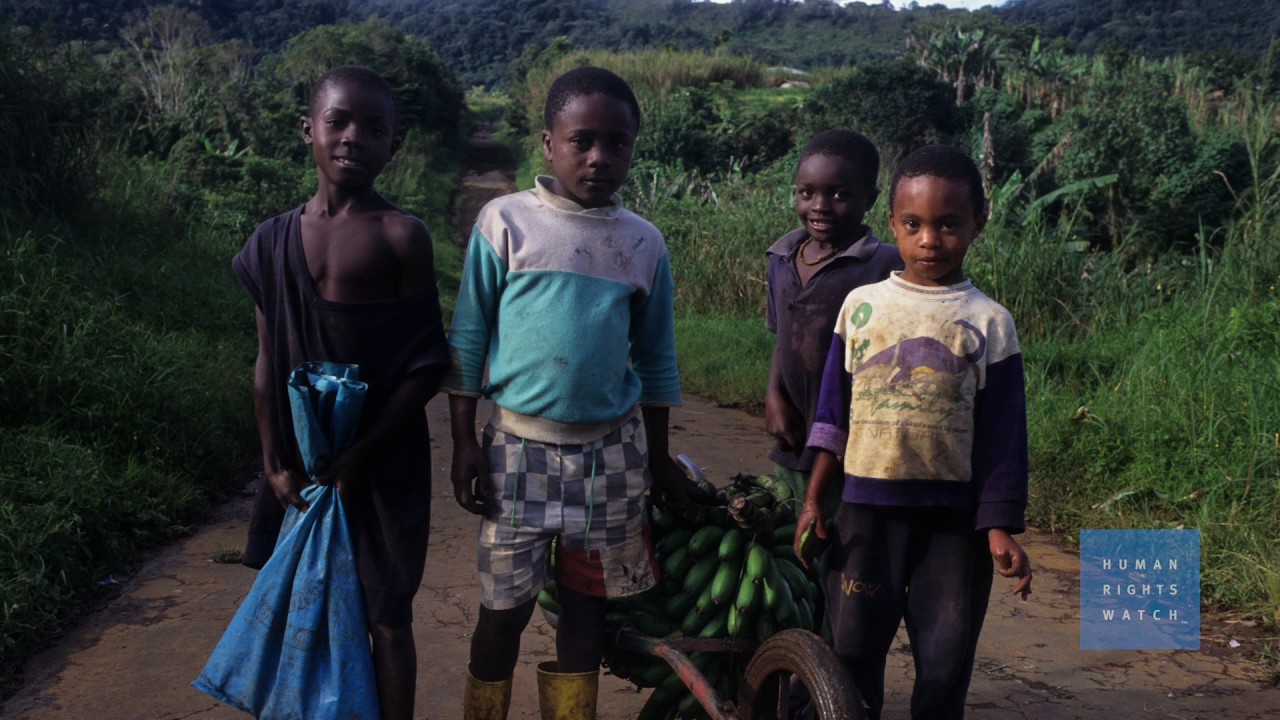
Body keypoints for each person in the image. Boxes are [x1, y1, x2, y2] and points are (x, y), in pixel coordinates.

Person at [444, 66, 693, 720]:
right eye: (582, 140)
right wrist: (463, 440)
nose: (599, 157)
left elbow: (657, 357)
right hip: (515, 453)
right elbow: (469, 337)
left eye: (617, 143)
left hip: (611, 456)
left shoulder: (642, 242)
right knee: (504, 612)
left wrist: (659, 460)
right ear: (548, 143)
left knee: (585, 611)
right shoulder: (506, 223)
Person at [232, 65, 449, 720]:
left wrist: (366, 450)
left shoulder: (400, 236)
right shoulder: (271, 243)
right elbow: (268, 358)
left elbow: (427, 362)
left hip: (383, 463)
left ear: (394, 145)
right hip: (305, 461)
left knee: (386, 614)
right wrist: (273, 458)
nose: (354, 137)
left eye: (373, 127)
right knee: (306, 607)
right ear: (308, 131)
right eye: (338, 121)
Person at [794, 144, 1034, 720]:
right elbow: (834, 414)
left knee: (945, 661)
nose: (929, 240)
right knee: (851, 651)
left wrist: (998, 525)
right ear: (894, 224)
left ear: (980, 222)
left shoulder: (989, 321)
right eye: (913, 224)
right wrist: (814, 499)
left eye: (948, 224)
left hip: (953, 526)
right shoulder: (863, 307)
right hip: (865, 512)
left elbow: (1004, 435)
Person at [765, 128, 902, 516]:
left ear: (870, 199)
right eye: (806, 193)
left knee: (847, 546)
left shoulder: (886, 265)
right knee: (791, 539)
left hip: (857, 444)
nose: (820, 206)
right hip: (793, 436)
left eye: (839, 194)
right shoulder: (782, 256)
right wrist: (773, 397)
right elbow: (781, 338)